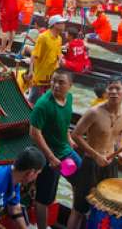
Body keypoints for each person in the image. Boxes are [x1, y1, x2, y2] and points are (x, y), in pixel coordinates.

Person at [68, 76, 122, 228]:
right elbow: (75, 135)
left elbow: (118, 135)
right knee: (79, 208)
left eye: (118, 88)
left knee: (107, 206)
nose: (114, 92)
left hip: (111, 164)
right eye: (110, 88)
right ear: (106, 91)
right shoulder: (94, 112)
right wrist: (96, 155)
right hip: (91, 163)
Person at [29, 70, 81, 229]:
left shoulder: (69, 99)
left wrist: (69, 139)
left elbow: (64, 123)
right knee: (44, 198)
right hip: (47, 154)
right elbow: (34, 133)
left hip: (64, 150)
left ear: (70, 86)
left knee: (82, 182)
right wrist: (50, 157)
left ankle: (75, 220)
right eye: (53, 81)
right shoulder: (43, 104)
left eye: (61, 82)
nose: (56, 85)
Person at [28, 15, 65, 104]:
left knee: (48, 100)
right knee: (33, 100)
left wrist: (61, 58)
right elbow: (34, 55)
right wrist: (30, 71)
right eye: (62, 23)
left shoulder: (59, 38)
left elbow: (58, 52)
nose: (64, 25)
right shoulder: (43, 37)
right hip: (40, 75)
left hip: (52, 75)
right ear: (54, 25)